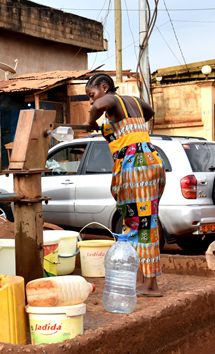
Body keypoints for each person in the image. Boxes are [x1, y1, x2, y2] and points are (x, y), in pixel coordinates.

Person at [83, 73, 166, 297]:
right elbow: (150, 111)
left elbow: (101, 104)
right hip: (150, 162)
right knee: (144, 223)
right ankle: (143, 280)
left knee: (139, 224)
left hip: (136, 166)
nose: (92, 101)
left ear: (104, 87)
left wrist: (90, 121)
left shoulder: (112, 101)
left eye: (91, 94)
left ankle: (150, 284)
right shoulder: (134, 103)